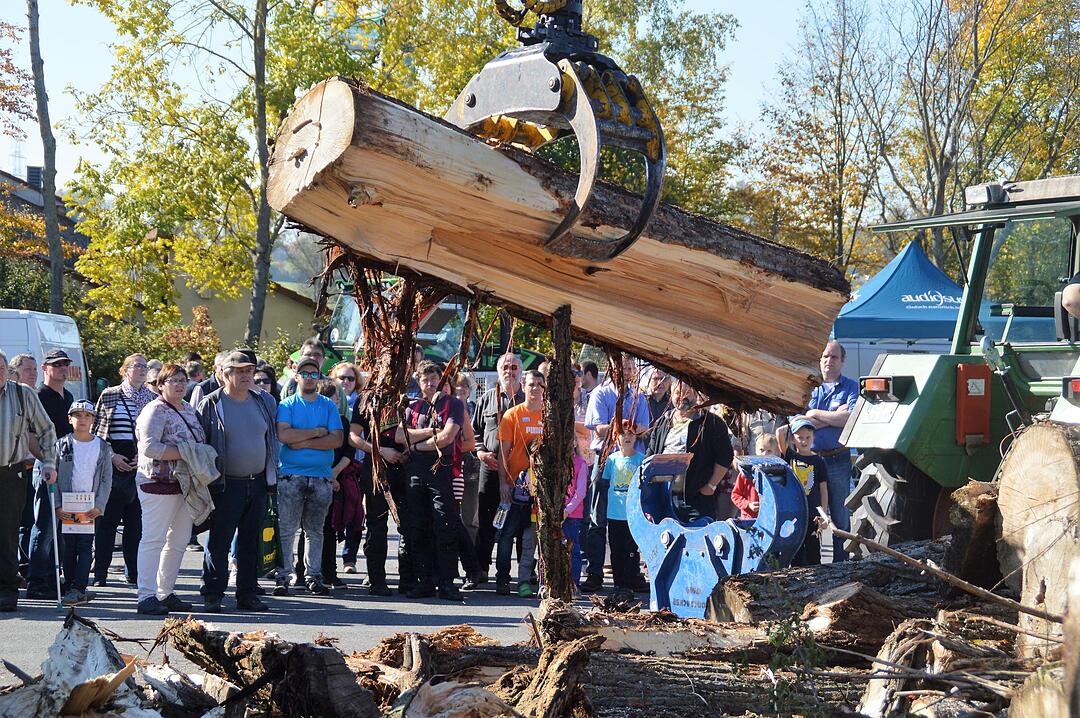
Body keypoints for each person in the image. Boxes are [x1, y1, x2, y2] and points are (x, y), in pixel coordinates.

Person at [196, 351, 279, 613]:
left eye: (249, 371)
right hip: (225, 484)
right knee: (219, 542)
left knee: (250, 542)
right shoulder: (211, 403)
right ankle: (213, 594)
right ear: (225, 374)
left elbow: (270, 438)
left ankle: (247, 593)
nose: (246, 375)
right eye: (240, 371)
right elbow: (201, 445)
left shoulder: (263, 401)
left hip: (258, 483)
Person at [134, 364, 209, 615]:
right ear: (160, 385)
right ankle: (146, 595)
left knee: (178, 541)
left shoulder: (188, 409)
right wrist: (187, 453)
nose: (179, 384)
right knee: (153, 539)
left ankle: (164, 593)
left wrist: (193, 453)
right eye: (173, 380)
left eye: (182, 380)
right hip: (156, 482)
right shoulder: (154, 410)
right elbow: (150, 448)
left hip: (185, 484)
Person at [781, 341, 858, 562]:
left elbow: (850, 418)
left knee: (840, 514)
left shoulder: (851, 387)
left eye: (833, 357)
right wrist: (832, 417)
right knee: (808, 513)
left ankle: (841, 563)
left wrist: (813, 415)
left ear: (842, 361)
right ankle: (809, 561)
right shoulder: (809, 388)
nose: (828, 361)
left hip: (838, 458)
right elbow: (795, 423)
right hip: (809, 462)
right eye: (825, 357)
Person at [395, 360, 465, 601]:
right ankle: (423, 581)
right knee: (418, 526)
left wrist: (415, 445)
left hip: (440, 467)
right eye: (425, 379)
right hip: (415, 470)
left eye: (434, 378)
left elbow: (447, 437)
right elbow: (400, 435)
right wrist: (430, 432)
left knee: (445, 524)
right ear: (419, 381)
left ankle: (446, 582)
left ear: (441, 379)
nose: (430, 383)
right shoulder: (412, 406)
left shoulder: (453, 403)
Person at [274, 356, 343, 597]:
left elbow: (337, 439)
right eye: (305, 373)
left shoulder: (328, 406)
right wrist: (316, 432)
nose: (310, 378)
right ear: (296, 376)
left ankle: (313, 576)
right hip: (291, 476)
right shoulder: (287, 405)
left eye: (314, 374)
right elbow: (284, 436)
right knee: (287, 530)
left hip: (321, 477)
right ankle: (283, 576)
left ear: (319, 377)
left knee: (315, 531)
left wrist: (301, 441)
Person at [581, 354, 650, 593]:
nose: (627, 371)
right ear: (612, 369)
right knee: (598, 518)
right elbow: (599, 428)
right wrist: (624, 425)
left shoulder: (639, 396)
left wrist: (629, 427)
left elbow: (644, 428)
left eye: (630, 367)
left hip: (632, 461)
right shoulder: (601, 393)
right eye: (623, 367)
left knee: (632, 519)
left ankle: (632, 573)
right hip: (606, 460)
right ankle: (595, 572)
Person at [0, 351, 58, 612]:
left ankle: (7, 589)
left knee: (7, 534)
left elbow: (46, 430)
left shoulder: (22, 394)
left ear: (7, 370)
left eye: (1, 368)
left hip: (10, 473)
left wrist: (49, 463)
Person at [92, 354, 155, 587]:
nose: (141, 369)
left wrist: (144, 456)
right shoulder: (109, 395)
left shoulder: (152, 398)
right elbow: (97, 432)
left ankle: (134, 573)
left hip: (141, 467)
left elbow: (156, 433)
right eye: (136, 366)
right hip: (113, 466)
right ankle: (100, 573)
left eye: (144, 366)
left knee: (136, 524)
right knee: (106, 524)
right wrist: (111, 456)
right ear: (125, 370)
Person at [25, 349, 75, 599]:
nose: (62, 368)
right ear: (45, 368)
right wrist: (47, 463)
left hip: (66, 469)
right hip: (46, 468)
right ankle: (36, 582)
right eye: (57, 365)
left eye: (65, 364)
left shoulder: (69, 396)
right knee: (44, 527)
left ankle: (54, 579)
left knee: (62, 528)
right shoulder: (38, 396)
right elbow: (29, 435)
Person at [646, 379, 734, 522]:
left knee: (700, 535)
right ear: (671, 393)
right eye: (678, 393)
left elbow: (726, 456)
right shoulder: (662, 422)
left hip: (697, 499)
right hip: (664, 498)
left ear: (695, 393)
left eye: (687, 392)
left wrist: (711, 486)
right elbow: (650, 454)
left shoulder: (711, 423)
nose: (682, 397)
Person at [348, 392, 409, 596]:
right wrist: (380, 450)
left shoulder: (405, 397)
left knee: (408, 524)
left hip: (404, 468)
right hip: (376, 468)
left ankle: (408, 579)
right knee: (377, 525)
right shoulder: (366, 399)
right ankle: (376, 580)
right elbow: (353, 436)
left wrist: (408, 451)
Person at [54, 400, 113, 606]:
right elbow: (53, 477)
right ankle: (69, 584)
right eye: (77, 415)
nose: (82, 419)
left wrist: (100, 505)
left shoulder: (102, 447)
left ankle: (79, 587)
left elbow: (106, 479)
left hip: (89, 506)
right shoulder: (61, 445)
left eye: (87, 416)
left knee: (86, 546)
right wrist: (57, 505)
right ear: (69, 419)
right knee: (68, 546)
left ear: (94, 420)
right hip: (67, 505)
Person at [471, 352, 524, 582]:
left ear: (520, 371)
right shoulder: (487, 399)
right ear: (498, 371)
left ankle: (525, 574)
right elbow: (475, 431)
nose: (509, 372)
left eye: (514, 368)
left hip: (521, 472)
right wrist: (481, 452)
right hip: (490, 468)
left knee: (522, 523)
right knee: (486, 520)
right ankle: (481, 569)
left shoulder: (528, 399)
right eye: (505, 367)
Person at [494, 370, 546, 597]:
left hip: (541, 490)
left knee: (532, 539)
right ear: (523, 386)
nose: (535, 388)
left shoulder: (548, 416)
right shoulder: (512, 415)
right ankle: (502, 579)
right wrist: (503, 483)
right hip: (514, 487)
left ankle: (531, 580)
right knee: (506, 535)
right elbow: (503, 453)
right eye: (531, 384)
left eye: (540, 385)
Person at [601, 423, 645, 602]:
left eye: (631, 434)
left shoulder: (641, 459)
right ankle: (617, 584)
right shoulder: (612, 460)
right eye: (623, 434)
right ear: (616, 437)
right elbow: (605, 483)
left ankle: (629, 585)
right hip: (614, 513)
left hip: (632, 514)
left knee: (630, 550)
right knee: (616, 550)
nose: (627, 437)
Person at [785, 417, 829, 566]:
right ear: (792, 439)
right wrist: (794, 422)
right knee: (795, 549)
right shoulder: (790, 457)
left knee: (813, 549)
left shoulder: (819, 461)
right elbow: (779, 433)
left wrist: (824, 514)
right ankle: (796, 575)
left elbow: (823, 489)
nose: (804, 441)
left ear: (813, 438)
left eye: (808, 437)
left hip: (813, 514)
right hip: (795, 512)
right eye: (800, 437)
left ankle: (817, 574)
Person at [10, 354, 38, 582]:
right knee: (16, 522)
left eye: (35, 369)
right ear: (15, 372)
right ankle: (16, 568)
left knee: (28, 521)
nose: (33, 374)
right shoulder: (12, 398)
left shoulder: (34, 396)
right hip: (14, 467)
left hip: (34, 468)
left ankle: (24, 568)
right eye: (28, 369)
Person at [731, 434, 781, 519]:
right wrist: (748, 504)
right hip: (749, 518)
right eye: (761, 450)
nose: (764, 454)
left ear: (776, 453)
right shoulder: (746, 472)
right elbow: (735, 495)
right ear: (756, 450)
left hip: (770, 519)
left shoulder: (778, 474)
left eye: (769, 451)